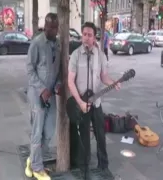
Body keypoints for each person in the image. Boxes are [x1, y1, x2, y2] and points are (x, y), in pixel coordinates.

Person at [68, 22, 121, 179]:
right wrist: (80, 102)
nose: (86, 37)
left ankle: (103, 165)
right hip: (82, 103)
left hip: (96, 102)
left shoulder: (100, 55)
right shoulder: (76, 55)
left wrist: (114, 83)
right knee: (84, 138)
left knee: (100, 134)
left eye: (89, 35)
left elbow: (103, 76)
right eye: (84, 34)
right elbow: (71, 81)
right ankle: (84, 170)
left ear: (94, 37)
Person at [25, 13, 61, 180]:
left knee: (49, 131)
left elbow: (58, 69)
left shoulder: (58, 44)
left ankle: (33, 160)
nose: (52, 30)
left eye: (55, 27)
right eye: (49, 27)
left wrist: (58, 85)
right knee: (37, 132)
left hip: (51, 96)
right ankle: (37, 168)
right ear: (45, 26)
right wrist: (41, 90)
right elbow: (30, 69)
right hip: (37, 95)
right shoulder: (37, 43)